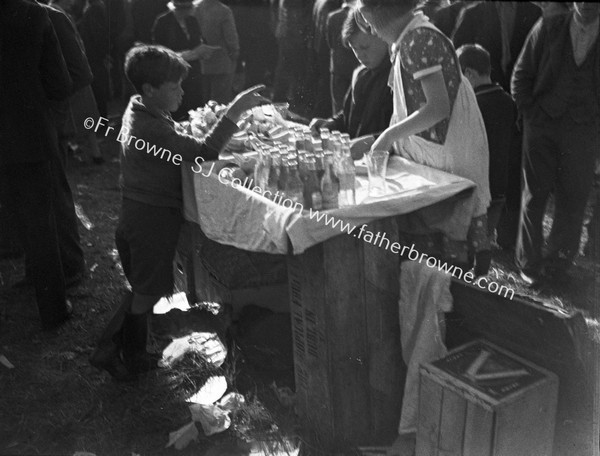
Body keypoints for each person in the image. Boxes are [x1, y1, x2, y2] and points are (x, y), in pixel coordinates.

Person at [89, 44, 268, 381]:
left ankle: (131, 351)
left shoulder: (139, 107)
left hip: (142, 213)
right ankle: (111, 349)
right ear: (150, 90)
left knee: (148, 287)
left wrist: (188, 57)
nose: (182, 93)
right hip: (150, 219)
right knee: (147, 291)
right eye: (175, 88)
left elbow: (155, 76)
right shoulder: (150, 128)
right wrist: (235, 110)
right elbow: (204, 152)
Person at [358, 0, 490, 269]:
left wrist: (387, 137)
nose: (372, 31)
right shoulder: (415, 34)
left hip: (449, 149)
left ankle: (446, 296)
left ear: (379, 15)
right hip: (443, 144)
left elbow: (437, 108)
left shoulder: (416, 42)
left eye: (371, 24)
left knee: (445, 243)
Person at [511, 2, 600, 285]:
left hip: (584, 133)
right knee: (534, 196)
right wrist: (533, 117)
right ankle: (529, 264)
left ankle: (558, 264)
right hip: (542, 127)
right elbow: (520, 76)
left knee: (573, 198)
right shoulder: (548, 27)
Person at [1, 0, 74, 329]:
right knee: (40, 223)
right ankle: (53, 308)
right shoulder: (35, 14)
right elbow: (60, 83)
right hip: (28, 135)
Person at [457, 43, 518, 275]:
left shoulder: (472, 105)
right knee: (485, 236)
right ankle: (481, 276)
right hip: (499, 186)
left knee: (466, 238)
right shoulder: (506, 100)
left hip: (475, 186)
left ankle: (465, 280)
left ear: (469, 74)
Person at [310, 10, 392, 138]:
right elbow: (350, 117)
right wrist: (331, 124)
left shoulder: (396, 77)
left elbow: (401, 132)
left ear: (383, 37)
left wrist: (371, 142)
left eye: (365, 47)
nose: (359, 55)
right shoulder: (361, 75)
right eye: (354, 48)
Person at [452, 1, 541, 92]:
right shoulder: (473, 14)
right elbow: (457, 57)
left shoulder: (535, 13)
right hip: (484, 94)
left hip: (525, 93)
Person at [153, 0, 214, 119]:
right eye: (183, 10)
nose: (187, 12)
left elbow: (197, 41)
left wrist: (203, 51)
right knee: (177, 107)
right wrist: (186, 54)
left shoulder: (192, 21)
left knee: (196, 106)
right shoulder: (163, 22)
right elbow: (159, 50)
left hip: (193, 71)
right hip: (174, 71)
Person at [195, 0, 240, 104]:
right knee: (220, 101)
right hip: (221, 62)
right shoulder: (224, 10)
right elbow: (231, 36)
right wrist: (235, 51)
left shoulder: (195, 8)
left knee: (202, 100)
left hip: (200, 61)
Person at [327, 2, 359, 114]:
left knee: (338, 105)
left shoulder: (333, 16)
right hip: (355, 65)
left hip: (338, 67)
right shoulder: (358, 16)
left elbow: (330, 42)